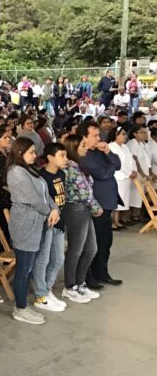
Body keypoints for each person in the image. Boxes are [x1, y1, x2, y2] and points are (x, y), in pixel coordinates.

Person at [7, 137, 60, 326]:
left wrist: (55, 208)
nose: (35, 155)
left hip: (38, 223)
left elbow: (45, 196)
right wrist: (50, 210)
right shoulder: (16, 172)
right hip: (25, 224)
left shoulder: (30, 170)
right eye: (31, 152)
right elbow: (33, 199)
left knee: (29, 267)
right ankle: (19, 308)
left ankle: (23, 305)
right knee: (24, 268)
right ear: (20, 153)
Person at [80, 121, 122, 288]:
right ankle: (88, 276)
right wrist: (110, 165)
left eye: (99, 135)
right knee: (93, 242)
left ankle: (102, 272)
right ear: (84, 137)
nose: (99, 138)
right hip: (97, 204)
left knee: (105, 242)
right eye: (94, 136)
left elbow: (117, 165)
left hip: (108, 202)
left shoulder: (99, 151)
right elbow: (103, 174)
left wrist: (107, 152)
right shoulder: (84, 156)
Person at [61, 134, 102, 304]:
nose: (86, 148)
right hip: (76, 209)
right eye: (83, 146)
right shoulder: (71, 167)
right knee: (75, 250)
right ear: (74, 148)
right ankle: (70, 287)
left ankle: (80, 282)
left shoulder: (79, 166)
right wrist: (96, 207)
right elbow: (82, 192)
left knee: (91, 249)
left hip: (85, 209)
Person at [33, 143, 68, 313]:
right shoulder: (41, 177)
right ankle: (40, 295)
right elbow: (42, 203)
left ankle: (47, 290)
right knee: (43, 259)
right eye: (62, 155)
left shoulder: (61, 174)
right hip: (47, 224)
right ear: (50, 157)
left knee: (58, 259)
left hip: (60, 223)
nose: (65, 159)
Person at [108, 126, 136, 228]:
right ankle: (112, 223)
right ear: (116, 135)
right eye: (123, 134)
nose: (125, 136)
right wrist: (129, 173)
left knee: (121, 201)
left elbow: (131, 160)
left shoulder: (125, 147)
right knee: (115, 201)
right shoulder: (110, 146)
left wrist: (133, 170)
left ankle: (117, 221)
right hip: (117, 177)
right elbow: (118, 164)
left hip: (126, 178)